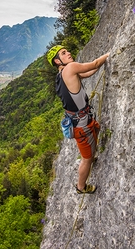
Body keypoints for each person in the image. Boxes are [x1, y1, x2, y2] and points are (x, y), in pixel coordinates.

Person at [47, 45, 109, 194]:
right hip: (82, 125)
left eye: (67, 51)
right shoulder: (71, 68)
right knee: (86, 159)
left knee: (96, 129)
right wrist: (109, 53)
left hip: (78, 122)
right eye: (63, 53)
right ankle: (81, 187)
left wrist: (101, 64)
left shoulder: (61, 76)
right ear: (57, 61)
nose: (68, 53)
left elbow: (89, 72)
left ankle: (91, 154)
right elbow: (94, 64)